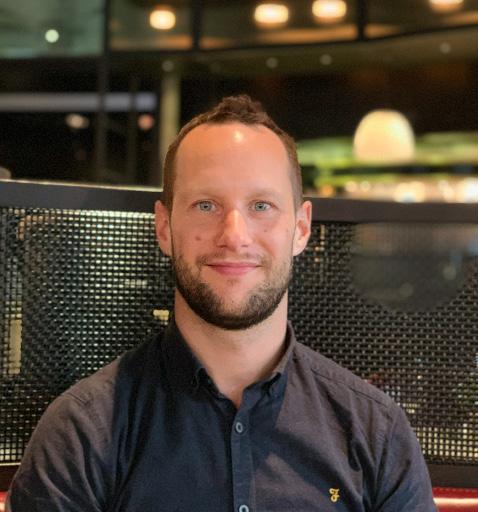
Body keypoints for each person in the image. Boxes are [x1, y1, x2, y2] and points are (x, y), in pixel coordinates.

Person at [7, 95, 436, 511]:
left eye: (261, 205)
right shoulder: (81, 433)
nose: (234, 235)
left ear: (301, 228)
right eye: (206, 205)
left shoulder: (376, 433)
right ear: (164, 227)